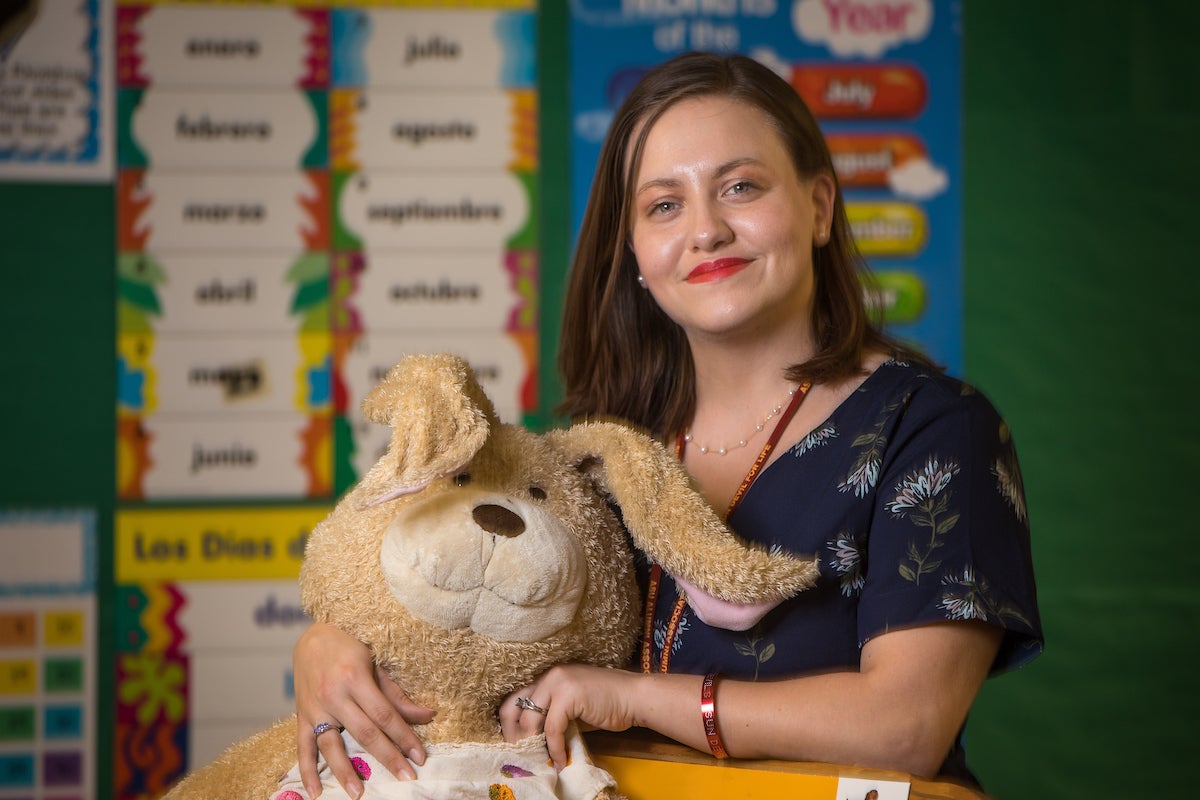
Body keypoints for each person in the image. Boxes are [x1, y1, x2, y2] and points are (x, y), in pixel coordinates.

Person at [291, 51, 1042, 797]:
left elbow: (906, 727)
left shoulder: (935, 430)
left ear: (819, 207)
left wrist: (635, 698)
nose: (706, 230)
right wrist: (332, 645)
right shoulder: (596, 453)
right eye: (663, 205)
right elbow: (480, 641)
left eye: (740, 187)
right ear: (636, 254)